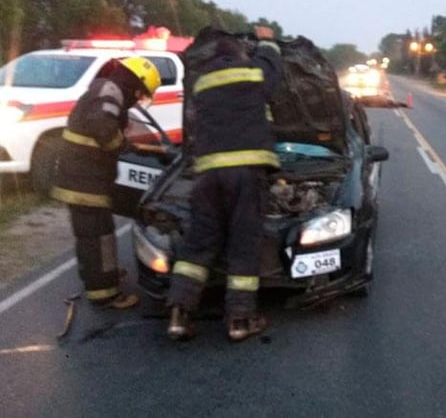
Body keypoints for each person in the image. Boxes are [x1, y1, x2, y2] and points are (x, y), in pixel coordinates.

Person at [166, 26, 283, 342]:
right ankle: (240, 320)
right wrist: (268, 42)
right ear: (239, 55)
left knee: (198, 243)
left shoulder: (202, 83)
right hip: (245, 173)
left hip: (207, 175)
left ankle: (178, 314)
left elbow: (194, 126)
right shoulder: (251, 74)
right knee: (243, 244)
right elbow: (273, 71)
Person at [51, 57, 161, 309]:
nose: (138, 99)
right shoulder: (109, 92)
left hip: (83, 178)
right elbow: (102, 126)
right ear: (135, 85)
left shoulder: (105, 89)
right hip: (84, 181)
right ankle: (105, 293)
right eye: (141, 94)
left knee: (95, 234)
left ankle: (102, 273)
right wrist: (121, 146)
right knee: (96, 236)